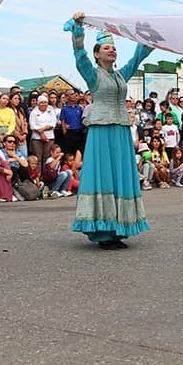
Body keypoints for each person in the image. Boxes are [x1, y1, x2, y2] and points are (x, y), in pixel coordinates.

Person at [66, 13, 153, 249]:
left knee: (120, 176)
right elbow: (79, 56)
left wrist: (149, 40)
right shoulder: (93, 75)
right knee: (104, 176)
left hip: (121, 130)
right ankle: (103, 230)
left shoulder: (119, 75)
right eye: (107, 48)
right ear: (97, 53)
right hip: (102, 131)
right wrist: (78, 29)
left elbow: (136, 59)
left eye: (114, 49)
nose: (112, 52)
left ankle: (119, 228)